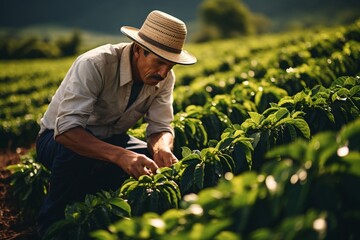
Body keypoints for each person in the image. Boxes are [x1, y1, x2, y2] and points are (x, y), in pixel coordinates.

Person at [35, 10, 196, 236]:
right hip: (57, 141)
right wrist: (120, 155)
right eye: (159, 62)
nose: (163, 72)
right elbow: (66, 132)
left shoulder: (164, 78)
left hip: (113, 139)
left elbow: (161, 127)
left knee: (151, 162)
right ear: (139, 50)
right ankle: (51, 224)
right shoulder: (95, 64)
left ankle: (111, 213)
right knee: (75, 155)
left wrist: (162, 149)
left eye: (170, 66)